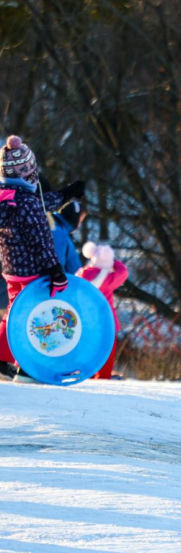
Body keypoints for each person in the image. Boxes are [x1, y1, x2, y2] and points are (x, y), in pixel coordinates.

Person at [0, 135, 85, 380]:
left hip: (12, 270)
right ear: (27, 172)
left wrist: (67, 194)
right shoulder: (27, 203)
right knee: (37, 314)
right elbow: (41, 240)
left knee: (15, 311)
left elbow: (40, 203)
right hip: (32, 272)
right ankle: (30, 366)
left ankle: (2, 358)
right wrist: (55, 270)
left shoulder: (9, 196)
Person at [77, 242, 129, 379]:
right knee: (106, 352)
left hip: (85, 322)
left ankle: (86, 374)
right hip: (106, 323)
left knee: (87, 351)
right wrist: (114, 263)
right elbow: (123, 272)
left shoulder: (81, 274)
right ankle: (103, 376)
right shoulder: (109, 278)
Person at [50, 200, 84, 276]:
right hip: (54, 283)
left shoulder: (59, 228)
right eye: (80, 220)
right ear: (75, 218)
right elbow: (73, 268)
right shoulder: (59, 233)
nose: (79, 225)